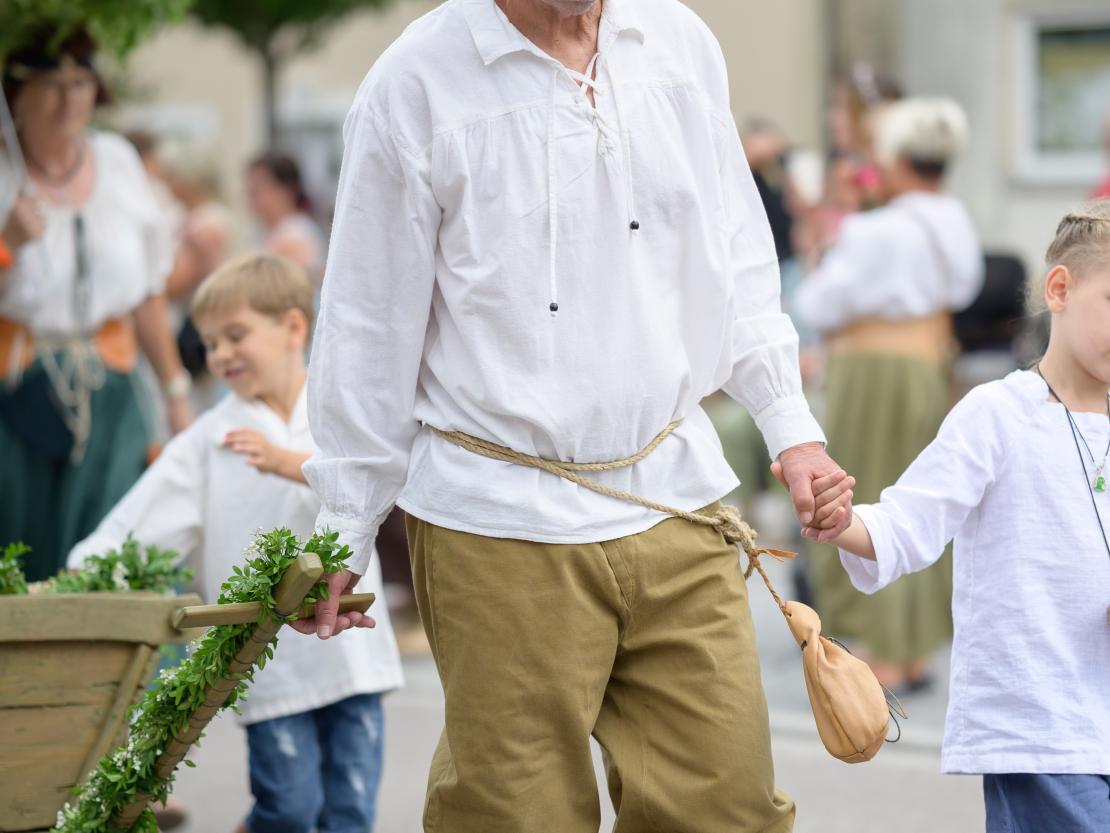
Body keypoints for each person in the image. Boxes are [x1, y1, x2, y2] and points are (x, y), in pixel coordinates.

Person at [297, 1, 853, 831]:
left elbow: (737, 257)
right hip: (497, 522)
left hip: (674, 495)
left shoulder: (679, 43)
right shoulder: (413, 84)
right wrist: (342, 523)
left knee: (727, 807)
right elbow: (368, 324)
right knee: (516, 815)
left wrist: (790, 425)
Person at [68, 253, 403, 833]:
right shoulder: (210, 440)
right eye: (210, 342)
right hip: (270, 665)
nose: (220, 354)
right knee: (289, 810)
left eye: (235, 335)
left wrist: (286, 463)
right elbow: (136, 528)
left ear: (294, 328)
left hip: (354, 653)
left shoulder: (343, 416)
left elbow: (381, 478)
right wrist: (82, 576)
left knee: (349, 811)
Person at [820, 201, 1110, 833]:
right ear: (1060, 289)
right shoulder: (998, 413)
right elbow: (909, 520)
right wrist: (841, 519)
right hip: (1039, 729)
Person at [793, 98, 984, 692]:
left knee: (871, 494)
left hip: (871, 370)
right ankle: (916, 648)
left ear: (899, 160)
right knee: (922, 492)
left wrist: (825, 243)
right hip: (926, 364)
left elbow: (816, 302)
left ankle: (885, 654)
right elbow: (967, 285)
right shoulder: (953, 218)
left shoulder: (878, 230)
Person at [0, 25, 192, 580]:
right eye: (52, 83)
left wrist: (176, 394)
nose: (69, 99)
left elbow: (147, 294)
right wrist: (5, 244)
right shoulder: (3, 172)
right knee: (25, 552)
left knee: (120, 547)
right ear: (18, 92)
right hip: (19, 393)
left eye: (80, 81)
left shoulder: (117, 162)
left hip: (113, 389)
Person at [246, 154, 325, 289]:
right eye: (250, 191)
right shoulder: (274, 231)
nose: (251, 198)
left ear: (287, 190)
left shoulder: (294, 234)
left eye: (258, 190)